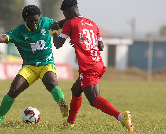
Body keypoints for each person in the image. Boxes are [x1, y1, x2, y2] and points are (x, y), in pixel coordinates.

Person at [51, 0, 133, 132]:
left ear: (67, 12)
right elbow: (101, 46)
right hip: (98, 64)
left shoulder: (70, 23)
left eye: (64, 15)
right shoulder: (92, 23)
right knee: (76, 90)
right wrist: (81, 41)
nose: (64, 17)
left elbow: (57, 44)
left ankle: (120, 116)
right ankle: (69, 122)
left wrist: (55, 30)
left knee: (94, 99)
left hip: (89, 66)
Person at [0, 5, 68, 125]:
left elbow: (58, 24)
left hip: (47, 63)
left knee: (52, 83)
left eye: (36, 20)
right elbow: (4, 37)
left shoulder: (45, 22)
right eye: (31, 21)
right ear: (25, 20)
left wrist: (76, 18)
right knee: (13, 90)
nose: (34, 23)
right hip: (30, 67)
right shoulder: (19, 31)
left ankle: (62, 103)